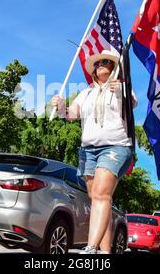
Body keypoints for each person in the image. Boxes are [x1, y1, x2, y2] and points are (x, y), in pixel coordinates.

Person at [52, 50, 137, 254]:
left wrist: (120, 91)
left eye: (106, 61)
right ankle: (105, 253)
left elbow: (132, 103)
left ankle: (90, 249)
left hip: (115, 146)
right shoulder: (86, 92)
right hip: (88, 150)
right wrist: (62, 107)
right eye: (97, 62)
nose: (100, 64)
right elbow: (71, 115)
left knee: (101, 195)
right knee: (98, 199)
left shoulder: (122, 88)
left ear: (114, 67)